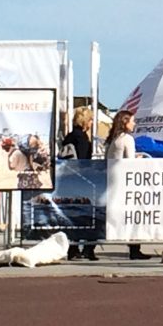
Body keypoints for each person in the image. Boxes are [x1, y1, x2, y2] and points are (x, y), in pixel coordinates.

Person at [105, 109, 150, 261]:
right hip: (125, 182)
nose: (134, 123)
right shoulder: (128, 139)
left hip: (112, 180)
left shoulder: (113, 139)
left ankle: (88, 247)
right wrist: (140, 158)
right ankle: (134, 248)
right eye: (132, 121)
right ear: (125, 122)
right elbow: (130, 162)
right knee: (134, 215)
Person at [62, 106, 98, 261]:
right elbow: (83, 161)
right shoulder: (82, 138)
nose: (91, 122)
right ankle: (88, 249)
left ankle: (73, 248)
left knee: (73, 217)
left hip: (67, 180)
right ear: (85, 121)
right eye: (90, 119)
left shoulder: (69, 136)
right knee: (89, 217)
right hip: (81, 181)